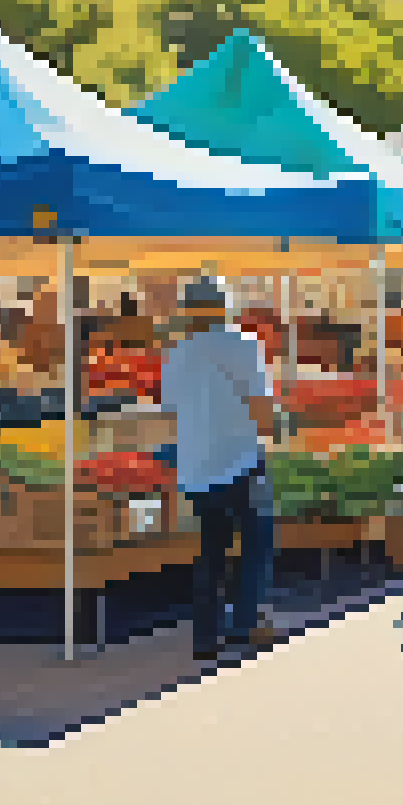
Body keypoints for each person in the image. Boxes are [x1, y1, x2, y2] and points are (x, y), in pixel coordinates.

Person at [159, 277, 278, 662]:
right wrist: (269, 443)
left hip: (196, 465)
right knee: (257, 544)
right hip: (242, 460)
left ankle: (206, 636)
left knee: (211, 551)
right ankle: (245, 623)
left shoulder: (177, 353)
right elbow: (261, 406)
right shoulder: (243, 345)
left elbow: (171, 410)